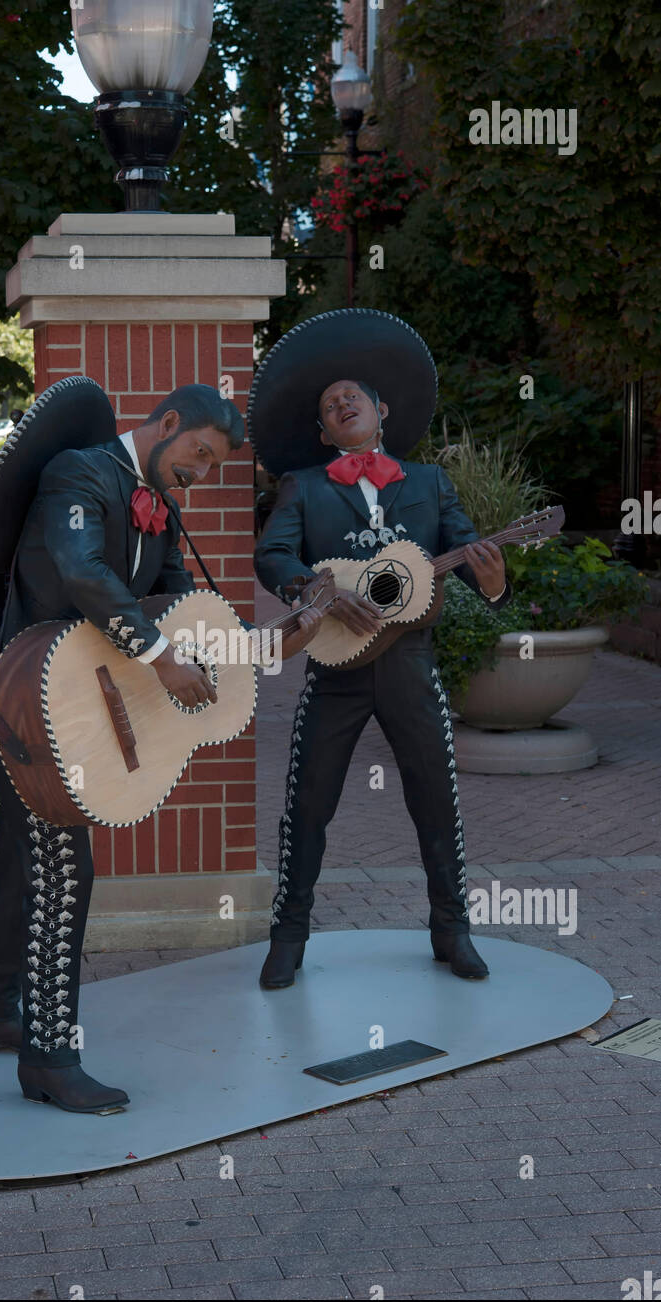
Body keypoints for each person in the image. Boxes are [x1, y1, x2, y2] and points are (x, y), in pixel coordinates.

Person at [0, 380, 322, 1113]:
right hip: (31, 701)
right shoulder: (80, 471)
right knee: (65, 872)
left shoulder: (159, 510)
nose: (202, 473)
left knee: (26, 859)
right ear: (167, 424)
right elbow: (79, 571)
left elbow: (180, 607)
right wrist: (159, 657)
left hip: (78, 703)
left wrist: (263, 644)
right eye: (199, 454)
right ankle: (49, 1059)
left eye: (216, 467)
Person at [250, 309, 511, 990]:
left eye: (352, 397)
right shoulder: (303, 487)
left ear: (380, 410)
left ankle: (451, 930)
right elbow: (271, 552)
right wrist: (313, 588)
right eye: (329, 405)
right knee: (307, 803)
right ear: (321, 430)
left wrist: (493, 578)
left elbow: (472, 552)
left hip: (409, 662)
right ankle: (288, 936)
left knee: (435, 797)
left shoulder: (429, 483)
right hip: (334, 664)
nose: (341, 404)